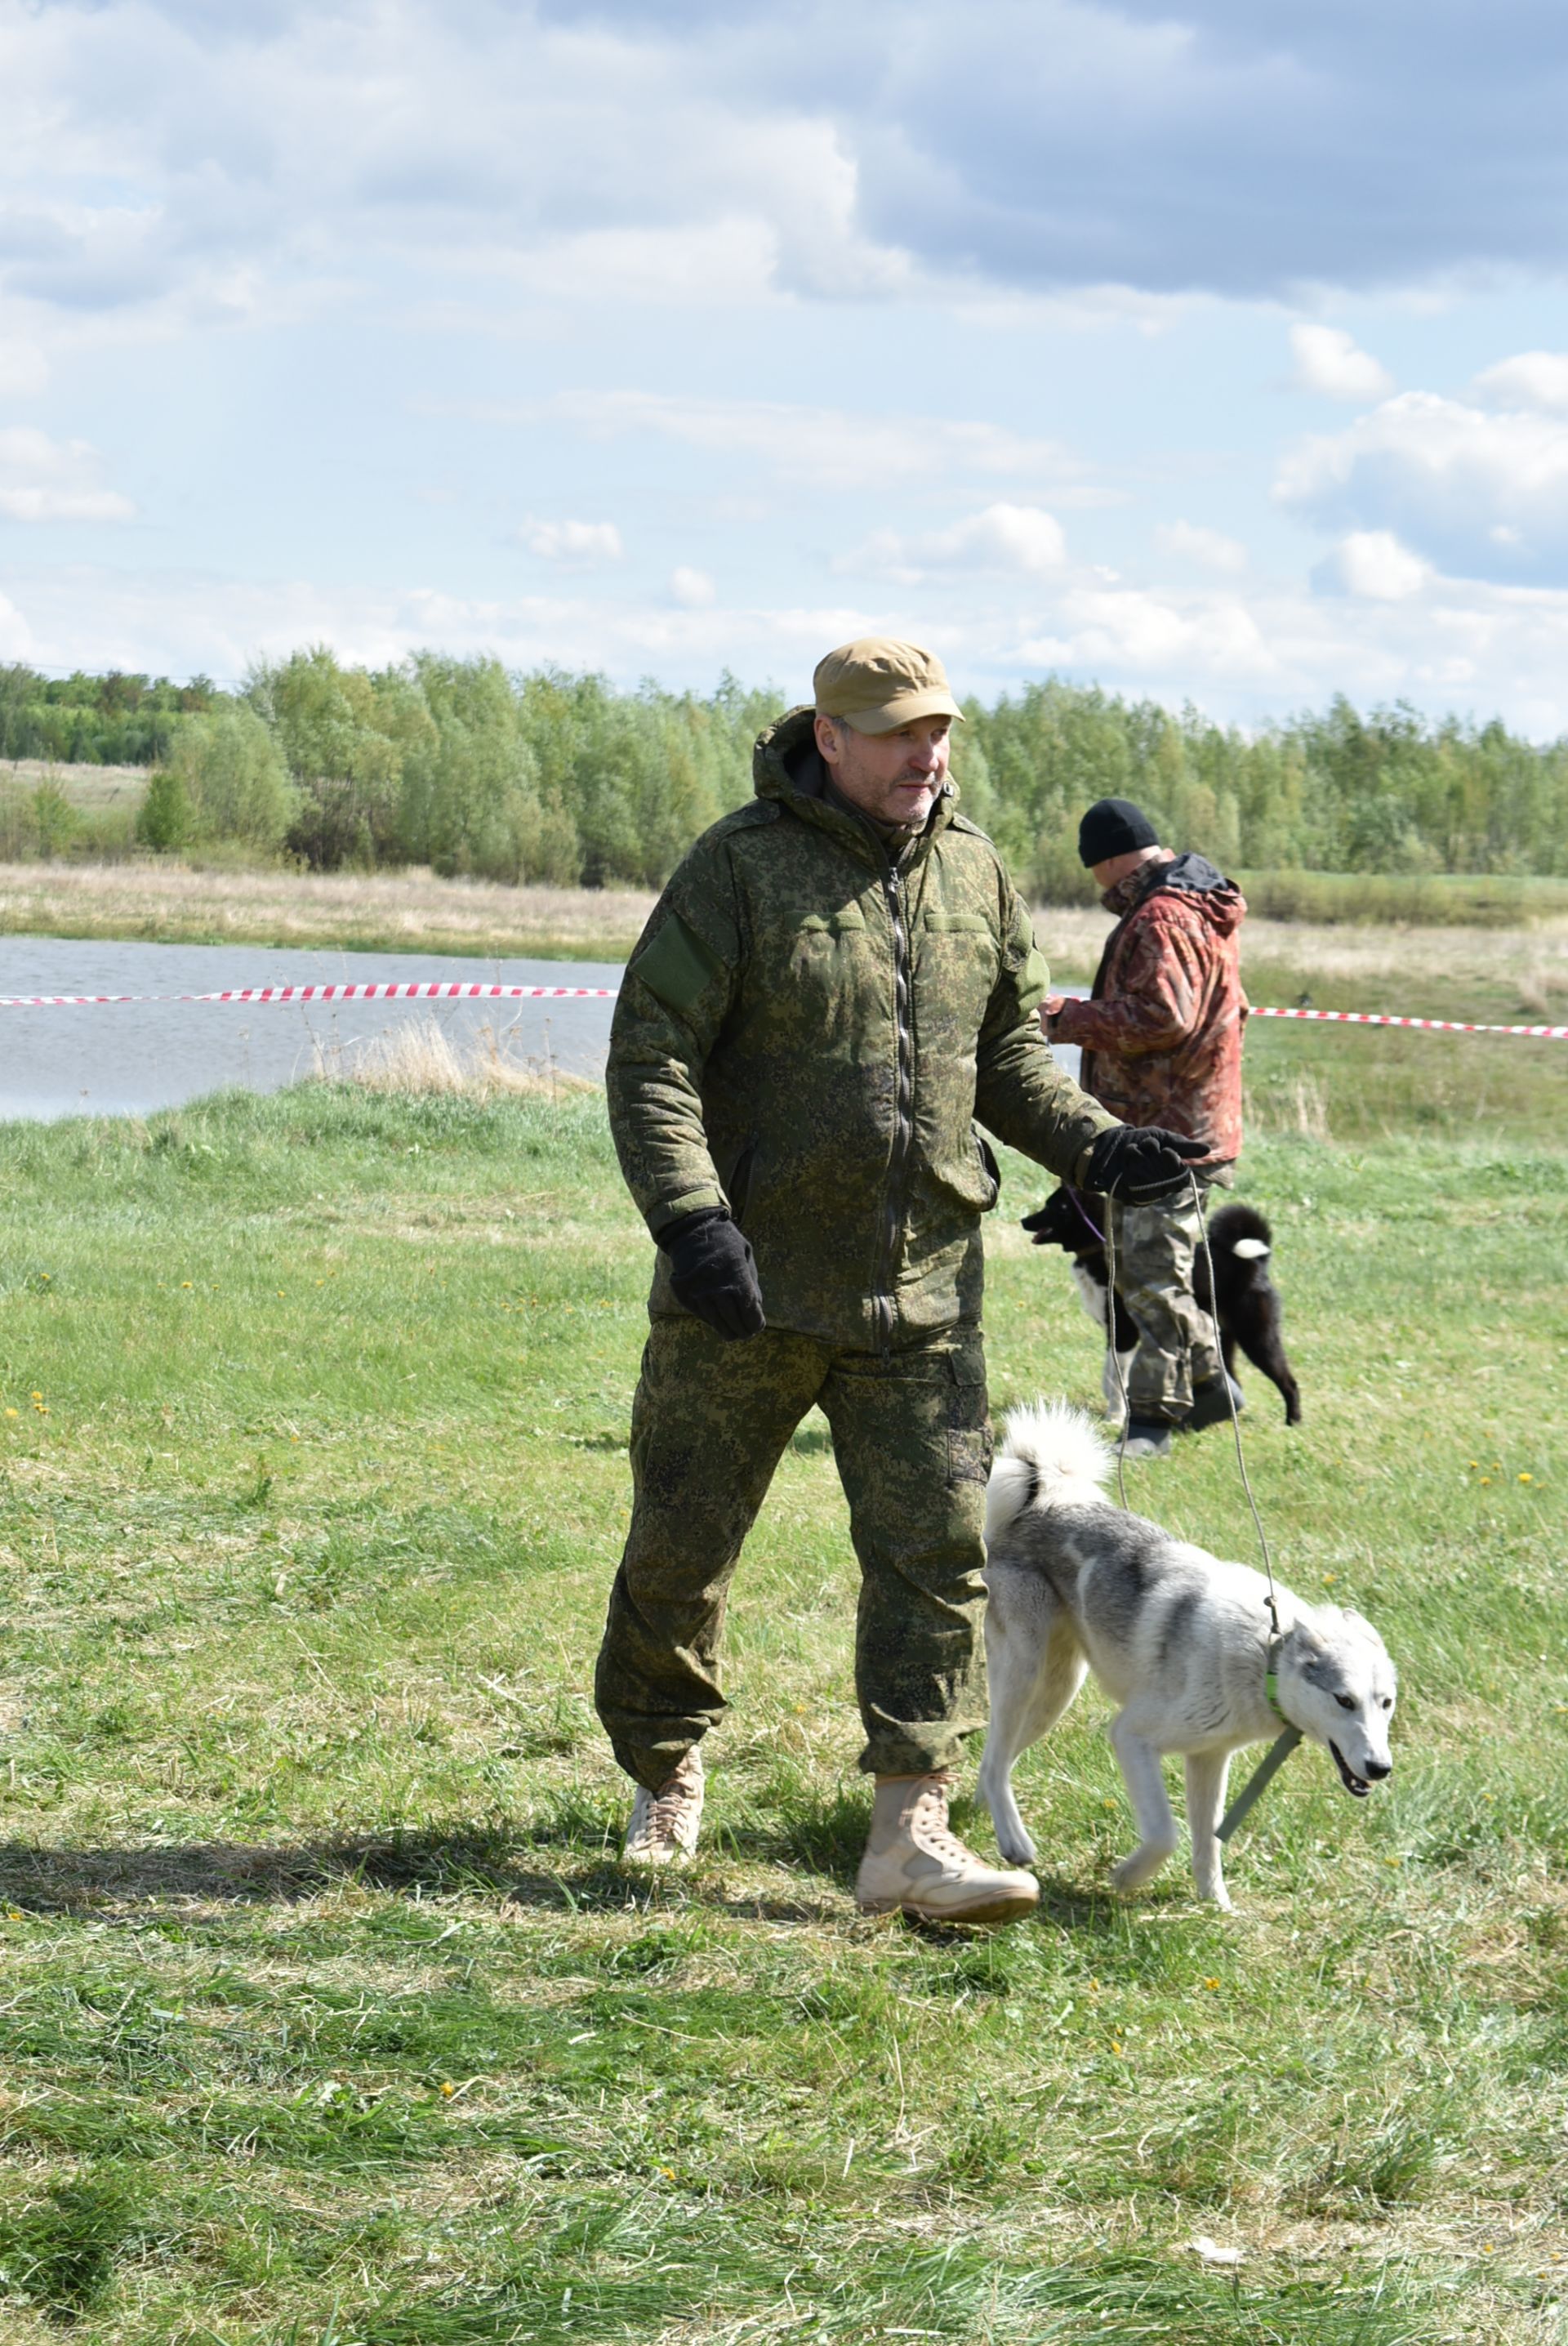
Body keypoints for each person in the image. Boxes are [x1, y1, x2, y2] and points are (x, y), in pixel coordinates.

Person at [597, 642, 1205, 1924]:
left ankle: (909, 1833)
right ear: (829, 736)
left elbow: (1004, 1063)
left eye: (940, 735)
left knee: (936, 1561)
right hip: (745, 1291)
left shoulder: (975, 871)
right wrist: (695, 1220)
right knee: (682, 1548)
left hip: (923, 1286)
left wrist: (1103, 1148)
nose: (926, 758)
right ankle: (664, 1767)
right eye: (896, 736)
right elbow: (651, 1054)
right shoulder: (740, 868)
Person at [1033, 796, 1248, 1461]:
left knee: (1150, 1278)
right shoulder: (1185, 906)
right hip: (1179, 1123)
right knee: (1153, 1270)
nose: (1097, 886)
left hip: (1166, 1132)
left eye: (1095, 870)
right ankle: (1213, 1387)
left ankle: (1150, 1423)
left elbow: (1164, 1017)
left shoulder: (1161, 916)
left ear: (1111, 860)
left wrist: (1067, 1018)